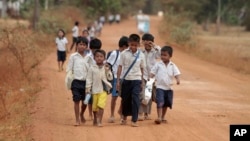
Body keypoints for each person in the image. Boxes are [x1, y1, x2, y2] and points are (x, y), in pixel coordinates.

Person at [116, 34, 146, 127]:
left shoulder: (141, 55)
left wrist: (141, 81)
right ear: (129, 43)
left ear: (138, 45)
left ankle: (134, 120)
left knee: (136, 99)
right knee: (125, 99)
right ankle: (124, 117)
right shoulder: (124, 53)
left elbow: (142, 69)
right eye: (131, 44)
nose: (133, 47)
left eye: (135, 45)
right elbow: (120, 67)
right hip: (126, 79)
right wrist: (118, 81)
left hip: (136, 80)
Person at [150, 46, 181, 124]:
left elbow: (177, 73)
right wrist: (149, 79)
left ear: (170, 56)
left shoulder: (173, 65)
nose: (162, 57)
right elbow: (152, 72)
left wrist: (178, 80)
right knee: (160, 102)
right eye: (162, 55)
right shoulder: (158, 64)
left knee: (166, 103)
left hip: (169, 88)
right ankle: (159, 117)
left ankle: (163, 117)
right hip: (160, 87)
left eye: (165, 55)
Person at [66, 37, 91, 126]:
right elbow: (69, 69)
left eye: (84, 45)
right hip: (75, 82)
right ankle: (77, 119)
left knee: (85, 101)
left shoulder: (89, 58)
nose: (82, 46)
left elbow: (91, 70)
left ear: (86, 47)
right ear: (77, 46)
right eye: (80, 44)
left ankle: (81, 114)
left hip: (86, 83)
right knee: (76, 100)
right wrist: (70, 80)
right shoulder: (73, 56)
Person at [86, 49, 113, 127]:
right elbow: (89, 78)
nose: (99, 58)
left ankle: (99, 121)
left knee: (101, 105)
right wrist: (88, 88)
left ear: (104, 58)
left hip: (103, 90)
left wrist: (108, 71)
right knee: (94, 107)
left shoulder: (106, 67)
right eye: (97, 56)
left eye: (101, 56)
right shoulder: (92, 68)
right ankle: (95, 118)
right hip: (94, 90)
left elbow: (110, 78)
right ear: (94, 58)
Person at [138, 33, 161, 121]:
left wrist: (155, 46)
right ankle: (140, 113)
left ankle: (146, 113)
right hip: (142, 75)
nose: (147, 45)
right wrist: (140, 43)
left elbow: (161, 53)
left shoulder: (155, 52)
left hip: (151, 76)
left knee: (148, 95)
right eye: (145, 42)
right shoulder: (140, 51)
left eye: (149, 43)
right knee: (142, 94)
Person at [106, 36, 129, 123]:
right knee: (114, 97)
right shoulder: (115, 54)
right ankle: (112, 114)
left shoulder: (127, 54)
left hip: (125, 78)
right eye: (127, 47)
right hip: (116, 78)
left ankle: (121, 113)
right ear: (123, 46)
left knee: (124, 97)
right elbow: (108, 64)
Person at [86, 38, 102, 120]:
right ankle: (90, 114)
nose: (95, 50)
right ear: (91, 48)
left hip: (98, 80)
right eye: (93, 49)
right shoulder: (88, 57)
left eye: (97, 49)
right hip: (90, 80)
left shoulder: (101, 57)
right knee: (90, 98)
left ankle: (97, 113)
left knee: (98, 97)